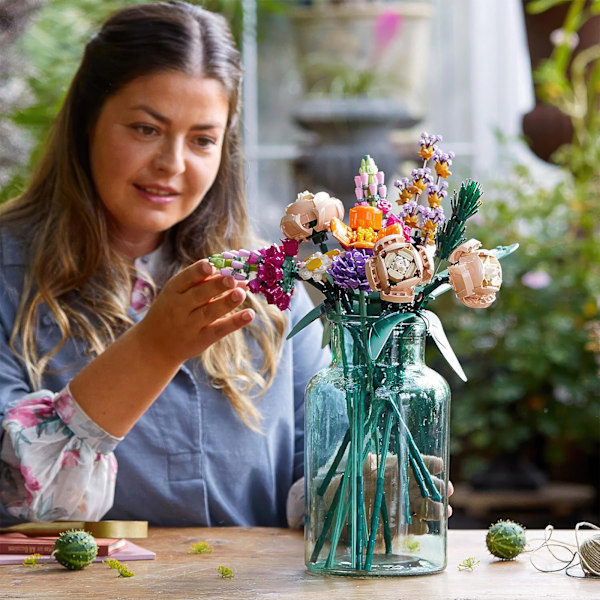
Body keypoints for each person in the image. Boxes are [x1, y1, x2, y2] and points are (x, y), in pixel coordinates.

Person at [0, 1, 451, 531]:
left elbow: (314, 470)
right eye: (146, 129)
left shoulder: (269, 285)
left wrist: (361, 490)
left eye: (202, 139)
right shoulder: (11, 276)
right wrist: (153, 348)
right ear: (86, 123)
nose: (172, 163)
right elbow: (17, 498)